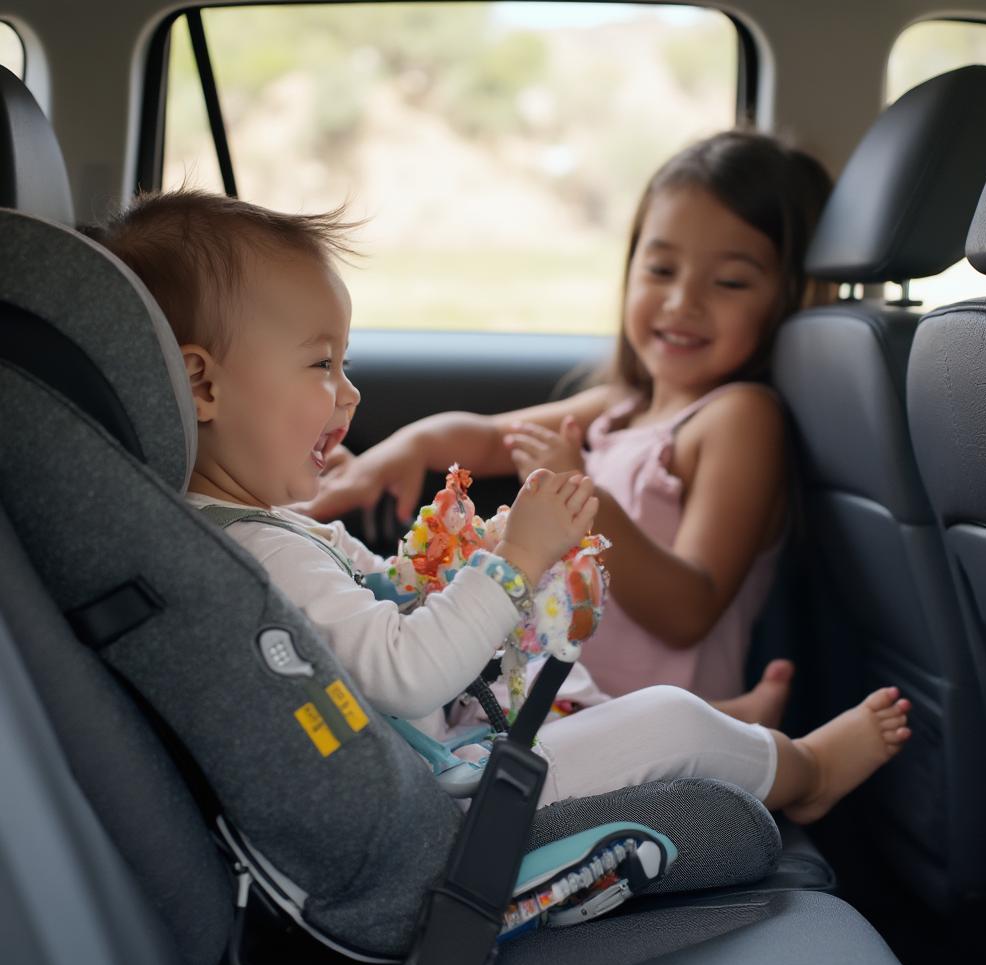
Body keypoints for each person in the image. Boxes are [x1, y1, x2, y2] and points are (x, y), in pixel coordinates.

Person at [94, 187, 909, 824]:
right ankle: (805, 774)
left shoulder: (249, 533)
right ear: (202, 383)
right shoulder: (263, 552)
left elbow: (377, 608)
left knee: (586, 686)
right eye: (321, 365)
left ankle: (743, 740)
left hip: (443, 760)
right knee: (669, 723)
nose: (350, 391)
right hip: (444, 797)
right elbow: (403, 670)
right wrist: (513, 561)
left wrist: (470, 553)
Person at [302, 131, 833, 722]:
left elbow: (690, 610)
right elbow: (484, 438)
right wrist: (413, 445)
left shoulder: (738, 417)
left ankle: (741, 728)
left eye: (730, 282)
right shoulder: (619, 407)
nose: (683, 301)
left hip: (642, 719)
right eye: (660, 268)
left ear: (788, 295)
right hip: (554, 697)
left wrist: (579, 491)